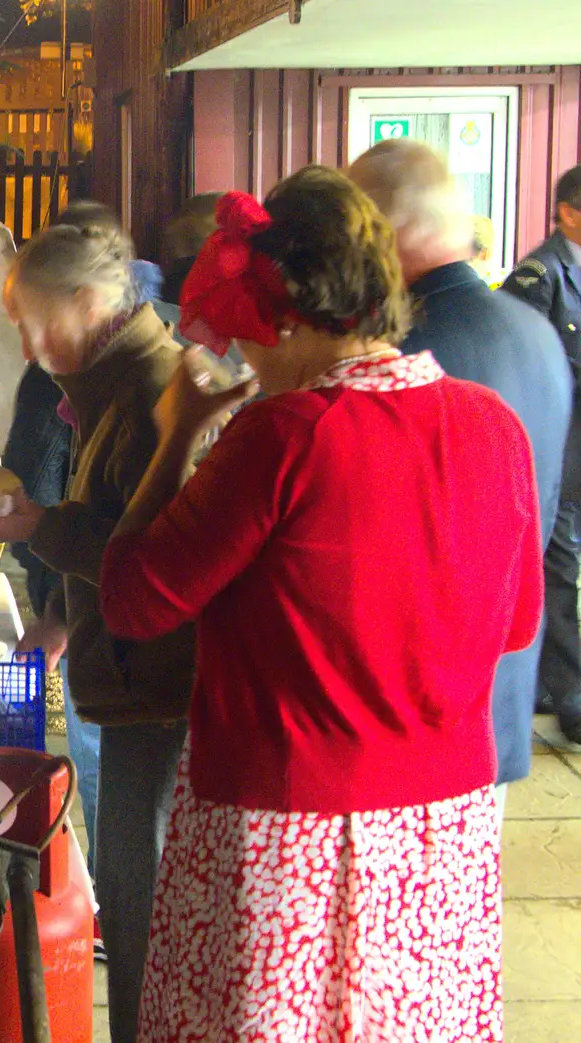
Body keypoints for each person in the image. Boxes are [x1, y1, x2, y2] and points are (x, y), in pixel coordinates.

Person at [100, 170, 542, 1041]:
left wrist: (179, 430)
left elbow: (133, 599)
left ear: (290, 319)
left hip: (285, 833)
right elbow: (518, 621)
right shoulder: (492, 422)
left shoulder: (285, 434)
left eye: (249, 333)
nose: (245, 356)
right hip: (439, 834)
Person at [0, 222, 196, 1043]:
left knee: (144, 907)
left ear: (89, 302)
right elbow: (108, 524)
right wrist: (37, 537)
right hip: (130, 681)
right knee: (131, 901)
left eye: (31, 320)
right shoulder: (112, 387)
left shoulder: (155, 391)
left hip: (158, 694)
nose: (23, 343)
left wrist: (40, 529)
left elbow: (161, 559)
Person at [350, 139, 572, 804]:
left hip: (421, 703)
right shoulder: (534, 331)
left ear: (388, 232)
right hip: (501, 684)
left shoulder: (405, 350)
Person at [503, 164, 581, 747]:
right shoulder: (541, 273)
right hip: (557, 447)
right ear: (570, 213)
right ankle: (567, 693)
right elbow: (522, 360)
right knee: (559, 565)